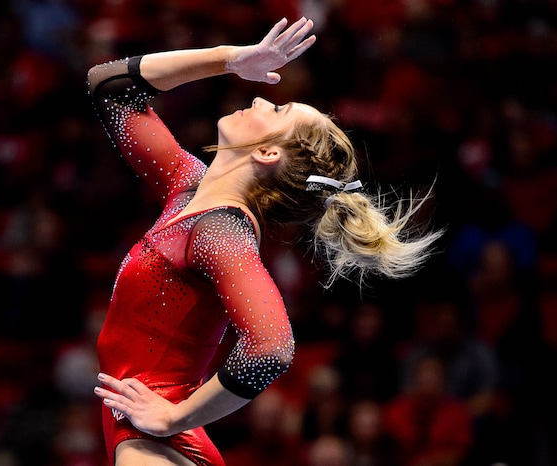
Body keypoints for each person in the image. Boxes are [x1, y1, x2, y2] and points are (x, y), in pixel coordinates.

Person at [88, 17, 441, 466]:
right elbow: (110, 85)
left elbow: (271, 347)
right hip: (141, 429)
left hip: (153, 442)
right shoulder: (188, 190)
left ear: (268, 152)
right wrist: (233, 59)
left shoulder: (221, 231)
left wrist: (173, 419)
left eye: (276, 111)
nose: (258, 98)